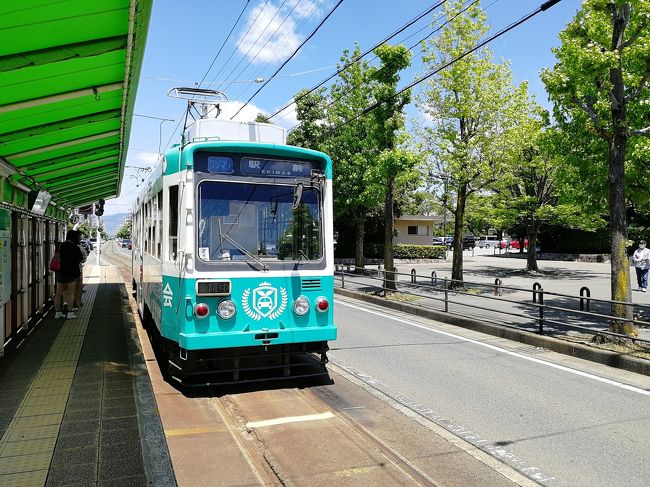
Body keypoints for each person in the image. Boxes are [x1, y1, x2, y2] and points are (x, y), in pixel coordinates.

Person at [54, 230, 84, 319]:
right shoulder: (75, 247)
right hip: (71, 273)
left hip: (61, 272)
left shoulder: (61, 245)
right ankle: (70, 313)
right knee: (71, 293)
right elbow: (80, 259)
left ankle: (58, 313)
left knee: (58, 293)